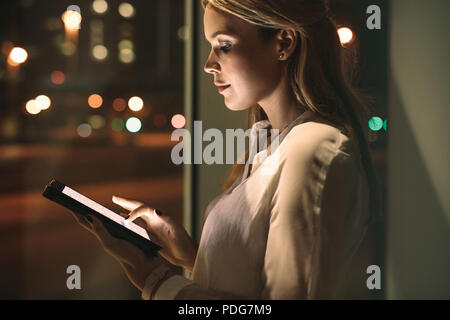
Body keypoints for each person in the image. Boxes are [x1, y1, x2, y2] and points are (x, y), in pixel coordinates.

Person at [72, 0, 381, 300]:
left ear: (283, 43)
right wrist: (196, 256)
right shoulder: (271, 148)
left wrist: (158, 283)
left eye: (224, 45)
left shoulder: (311, 150)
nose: (208, 65)